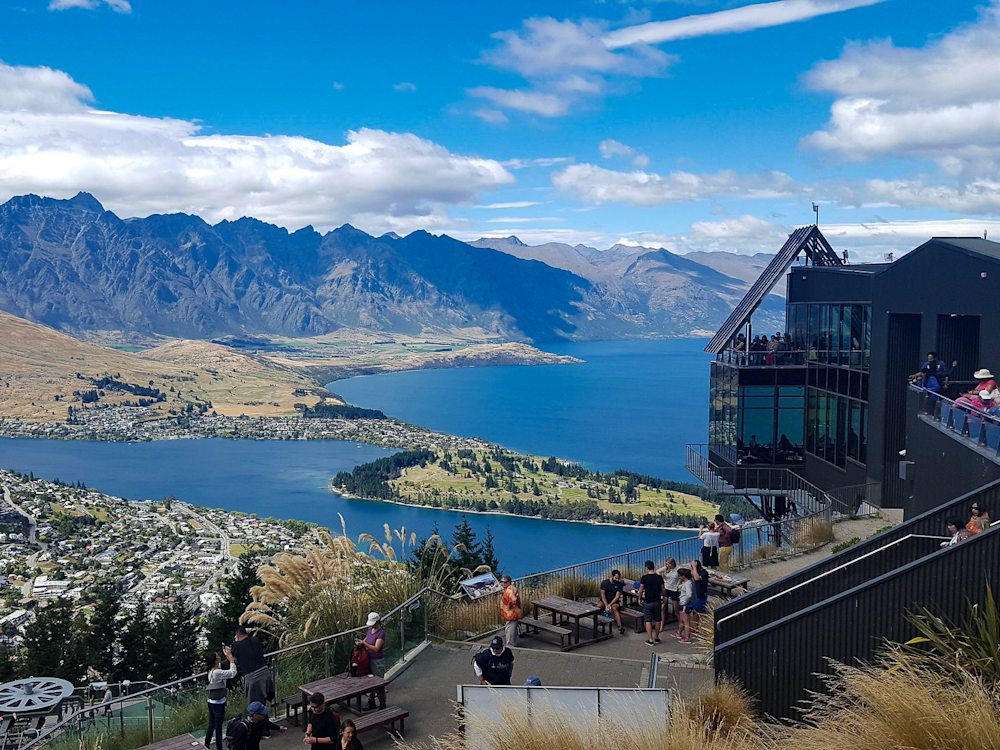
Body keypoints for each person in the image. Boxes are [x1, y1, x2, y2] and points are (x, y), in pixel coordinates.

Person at [205, 645, 238, 750]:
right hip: (219, 703)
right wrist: (231, 660)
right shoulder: (217, 672)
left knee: (211, 724)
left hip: (211, 701)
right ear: (215, 660)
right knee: (218, 727)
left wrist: (227, 654)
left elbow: (220, 668)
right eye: (217, 656)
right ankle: (219, 747)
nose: (219, 656)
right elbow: (232, 673)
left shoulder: (211, 671)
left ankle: (206, 744)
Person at [233, 627, 273, 706]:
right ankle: (265, 715)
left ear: (237, 636)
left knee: (256, 706)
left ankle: (261, 717)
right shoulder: (255, 640)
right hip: (265, 672)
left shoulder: (236, 645)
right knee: (263, 702)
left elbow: (234, 659)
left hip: (253, 677)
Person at [354, 613, 385, 711]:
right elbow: (366, 640)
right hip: (368, 659)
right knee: (370, 683)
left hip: (377, 661)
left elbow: (376, 648)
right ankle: (371, 702)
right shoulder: (370, 630)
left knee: (379, 684)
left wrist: (364, 643)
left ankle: (382, 704)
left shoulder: (381, 633)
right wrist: (361, 643)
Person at [636, 559, 664, 646]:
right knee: (657, 619)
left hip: (648, 601)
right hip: (657, 601)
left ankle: (650, 639)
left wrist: (639, 599)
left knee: (648, 620)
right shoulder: (659, 578)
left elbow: (640, 590)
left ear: (646, 568)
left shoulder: (644, 578)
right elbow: (663, 590)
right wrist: (664, 599)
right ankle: (657, 637)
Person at [600, 569, 626, 635]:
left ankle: (620, 626)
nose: (617, 580)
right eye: (616, 578)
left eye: (618, 578)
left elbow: (617, 596)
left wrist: (610, 604)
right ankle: (600, 620)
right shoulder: (604, 583)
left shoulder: (619, 584)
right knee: (599, 606)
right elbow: (602, 595)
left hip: (614, 601)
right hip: (605, 600)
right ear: (612, 576)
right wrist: (606, 604)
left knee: (614, 608)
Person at [499, 575, 522, 648]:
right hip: (512, 613)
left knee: (510, 629)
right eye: (502, 582)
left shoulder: (509, 590)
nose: (503, 584)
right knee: (510, 628)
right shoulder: (510, 588)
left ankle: (510, 645)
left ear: (509, 582)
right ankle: (512, 643)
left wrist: (508, 606)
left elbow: (513, 600)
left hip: (511, 614)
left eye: (505, 582)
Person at [658, 558, 680, 628]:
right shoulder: (666, 569)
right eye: (666, 563)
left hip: (674, 590)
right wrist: (662, 577)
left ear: (672, 564)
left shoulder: (678, 569)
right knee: (663, 608)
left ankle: (680, 623)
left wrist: (678, 585)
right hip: (666, 589)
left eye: (668, 563)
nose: (667, 565)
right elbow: (657, 571)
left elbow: (681, 578)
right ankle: (662, 625)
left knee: (676, 609)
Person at [674, 568, 694, 644]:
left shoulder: (687, 584)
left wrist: (684, 601)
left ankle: (687, 637)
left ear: (683, 576)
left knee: (686, 622)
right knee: (682, 620)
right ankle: (681, 634)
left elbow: (689, 594)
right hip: (683, 603)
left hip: (685, 604)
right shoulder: (687, 582)